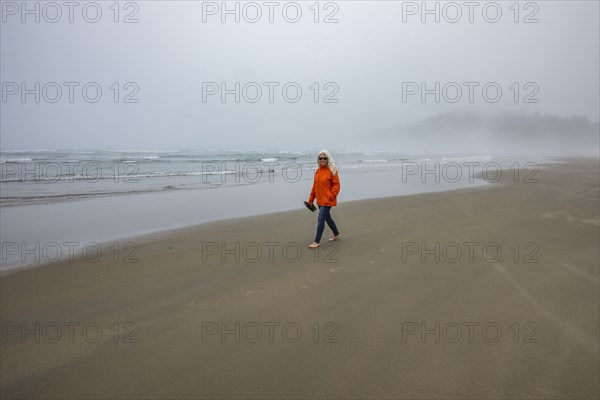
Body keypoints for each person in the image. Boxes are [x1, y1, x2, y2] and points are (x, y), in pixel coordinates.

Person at [307, 150, 341, 249]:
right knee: (327, 218)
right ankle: (337, 234)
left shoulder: (332, 170)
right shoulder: (318, 171)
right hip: (320, 200)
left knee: (321, 218)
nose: (322, 160)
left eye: (324, 158)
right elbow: (314, 187)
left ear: (328, 159)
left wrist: (331, 195)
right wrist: (310, 200)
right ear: (318, 159)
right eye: (320, 158)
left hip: (328, 200)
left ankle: (316, 241)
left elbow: (337, 185)